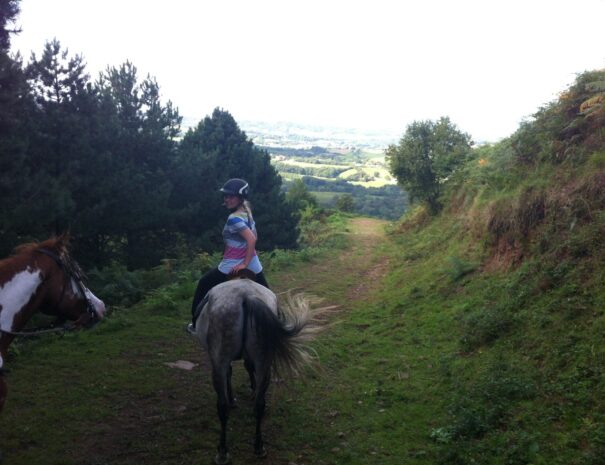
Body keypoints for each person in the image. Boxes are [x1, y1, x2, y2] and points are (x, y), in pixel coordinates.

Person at [187, 178, 269, 332]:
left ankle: (195, 324)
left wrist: (243, 265)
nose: (227, 199)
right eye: (226, 196)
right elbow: (255, 238)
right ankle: (278, 321)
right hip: (254, 262)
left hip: (232, 264)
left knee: (203, 283)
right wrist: (249, 261)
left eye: (231, 196)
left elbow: (251, 239)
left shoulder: (233, 219)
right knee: (268, 294)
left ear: (240, 198)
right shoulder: (248, 213)